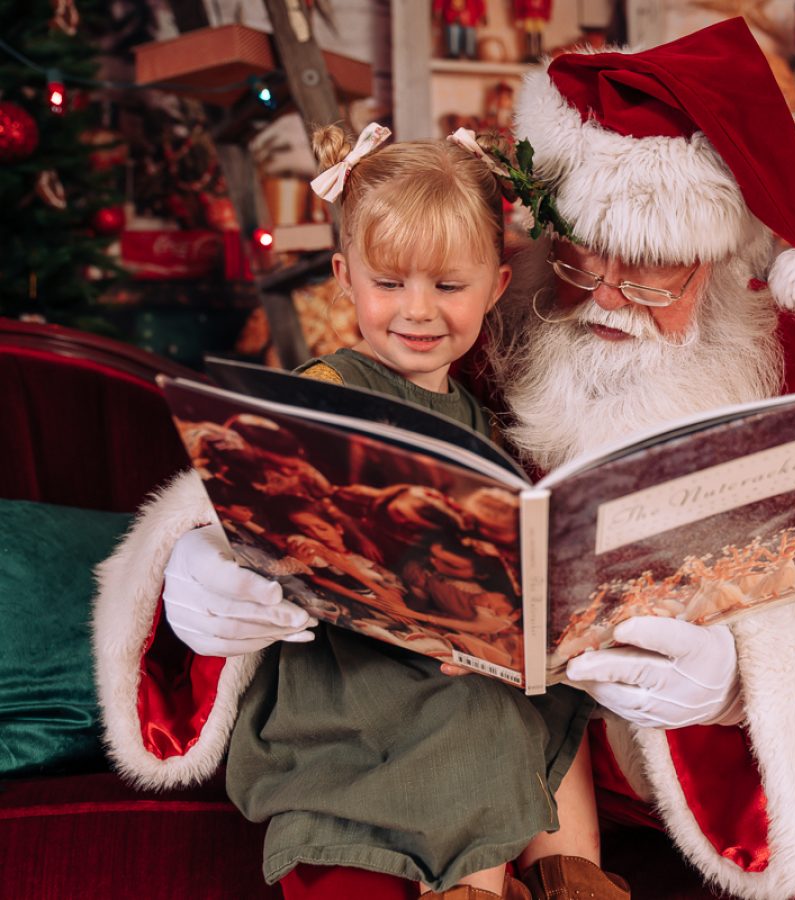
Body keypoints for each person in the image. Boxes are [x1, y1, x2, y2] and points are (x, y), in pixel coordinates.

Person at [93, 19, 795, 899]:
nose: (599, 296)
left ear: (722, 260)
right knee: (362, 799)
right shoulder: (488, 316)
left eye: (644, 269)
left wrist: (738, 679)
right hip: (496, 726)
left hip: (716, 742)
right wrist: (196, 566)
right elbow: (330, 435)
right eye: (575, 255)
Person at [102, 122, 626, 900]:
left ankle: (571, 878)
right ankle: (472, 888)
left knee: (555, 697)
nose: (418, 311)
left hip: (460, 651)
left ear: (497, 284)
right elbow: (268, 509)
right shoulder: (330, 391)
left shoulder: (482, 416)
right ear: (345, 279)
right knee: (471, 717)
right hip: (358, 677)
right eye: (389, 284)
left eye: (449, 287)